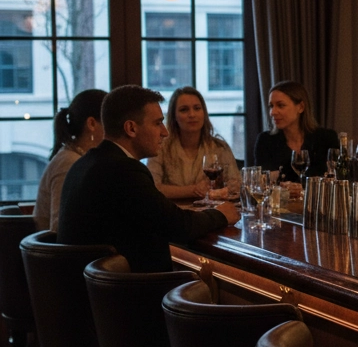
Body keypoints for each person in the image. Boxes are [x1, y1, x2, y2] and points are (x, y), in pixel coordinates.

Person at [58, 85, 240, 272]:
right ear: (131, 128)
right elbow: (179, 227)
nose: (164, 132)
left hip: (87, 283)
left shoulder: (86, 163)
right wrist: (221, 214)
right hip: (128, 287)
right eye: (157, 123)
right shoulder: (124, 170)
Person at [146, 86, 241, 200]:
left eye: (197, 108)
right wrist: (193, 190)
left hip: (211, 209)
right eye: (184, 110)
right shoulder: (160, 147)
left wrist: (217, 192)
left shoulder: (219, 147)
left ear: (204, 113)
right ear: (174, 116)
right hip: (171, 210)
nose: (192, 114)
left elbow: (236, 186)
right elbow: (152, 188)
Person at [33, 88, 106, 231]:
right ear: (91, 123)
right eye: (110, 122)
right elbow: (58, 227)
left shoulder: (78, 158)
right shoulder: (68, 163)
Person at [253, 80, 338, 192]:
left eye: (280, 105)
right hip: (282, 202)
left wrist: (303, 187)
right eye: (271, 106)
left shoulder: (326, 138)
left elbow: (338, 179)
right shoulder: (265, 141)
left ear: (301, 107)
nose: (273, 112)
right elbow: (261, 184)